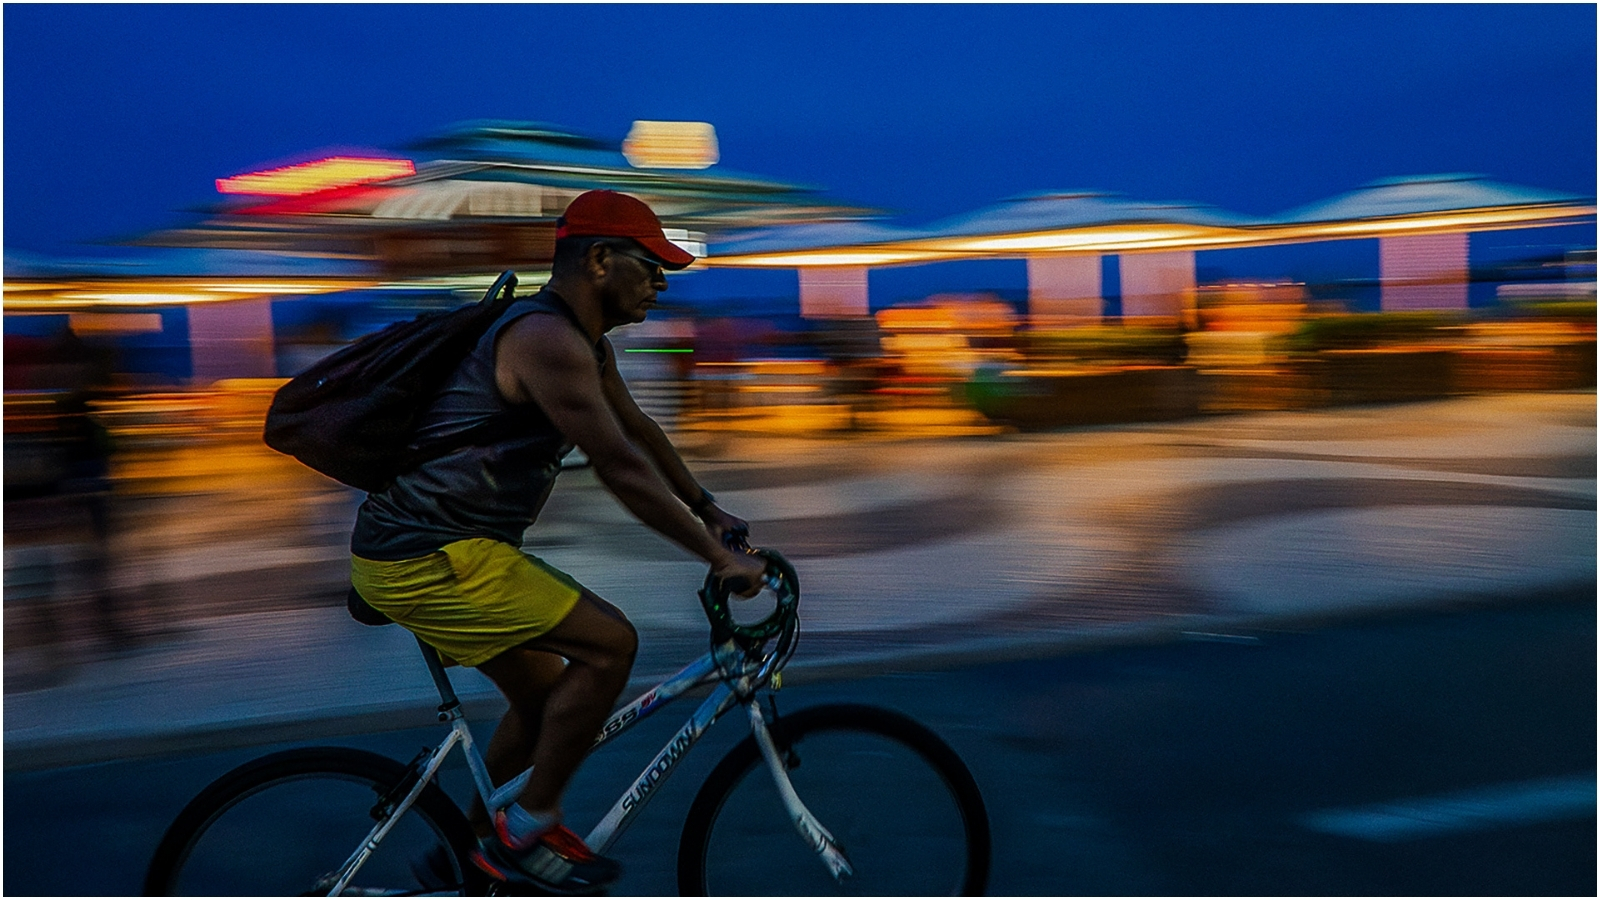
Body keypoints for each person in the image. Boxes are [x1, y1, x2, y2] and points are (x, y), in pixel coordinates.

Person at [349, 190, 767, 893]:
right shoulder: (544, 340)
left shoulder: (584, 345)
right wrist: (714, 557)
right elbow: (617, 467)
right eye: (652, 265)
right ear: (600, 260)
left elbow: (637, 430)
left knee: (545, 699)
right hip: (430, 554)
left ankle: (477, 851)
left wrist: (708, 509)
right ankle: (527, 830)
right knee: (611, 644)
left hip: (450, 550)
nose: (662, 282)